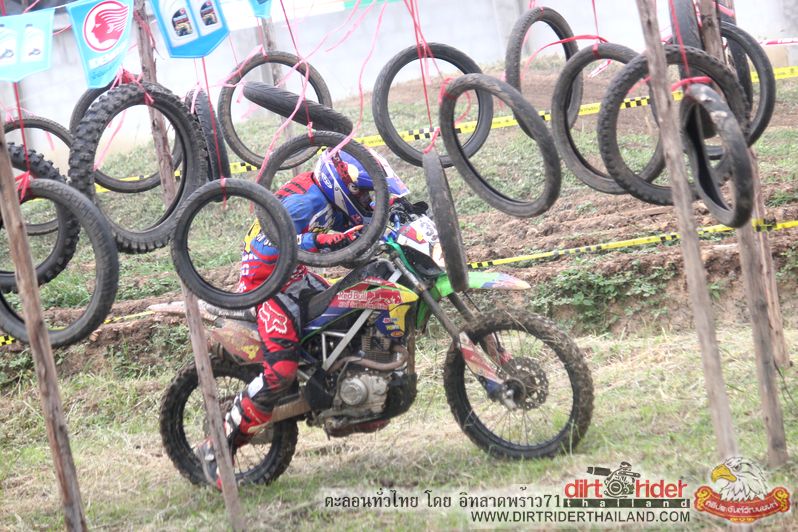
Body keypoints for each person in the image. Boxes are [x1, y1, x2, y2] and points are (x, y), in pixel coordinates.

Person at [196, 147, 410, 489]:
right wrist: (322, 240)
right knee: (280, 371)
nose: (366, 200)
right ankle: (217, 446)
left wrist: (396, 215)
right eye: (362, 193)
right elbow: (267, 246)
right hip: (267, 287)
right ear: (342, 183)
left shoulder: (333, 199)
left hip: (297, 278)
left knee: (354, 314)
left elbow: (361, 229)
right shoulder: (303, 202)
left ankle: (350, 394)